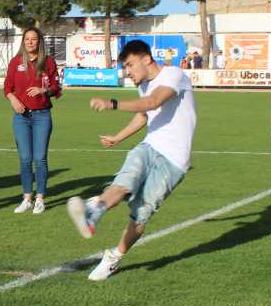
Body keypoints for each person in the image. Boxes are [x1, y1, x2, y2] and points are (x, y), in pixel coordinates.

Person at [67, 39, 197, 281]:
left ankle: (113, 259)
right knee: (127, 178)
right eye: (124, 67)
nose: (127, 72)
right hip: (150, 145)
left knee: (141, 212)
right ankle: (93, 211)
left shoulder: (173, 74)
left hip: (175, 159)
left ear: (146, 59)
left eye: (129, 65)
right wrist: (118, 138)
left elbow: (153, 102)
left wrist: (112, 103)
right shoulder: (143, 85)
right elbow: (144, 116)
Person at [4, 27, 62, 215]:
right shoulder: (15, 62)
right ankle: (27, 198)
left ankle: (40, 198)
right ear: (23, 41)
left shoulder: (48, 62)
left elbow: (56, 86)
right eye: (27, 39)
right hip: (21, 117)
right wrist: (13, 100)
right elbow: (7, 87)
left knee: (40, 158)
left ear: (39, 42)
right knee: (25, 159)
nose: (30, 42)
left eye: (34, 39)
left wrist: (43, 90)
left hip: (42, 116)